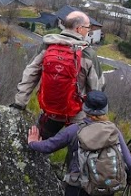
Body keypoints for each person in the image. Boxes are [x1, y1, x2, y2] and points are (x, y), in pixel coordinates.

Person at [27, 91, 131, 196]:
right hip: (105, 187)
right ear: (105, 110)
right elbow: (129, 162)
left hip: (78, 188)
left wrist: (32, 142)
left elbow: (48, 146)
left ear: (85, 108)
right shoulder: (114, 131)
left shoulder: (74, 130)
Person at [12, 10, 105, 139]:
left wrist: (20, 102)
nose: (88, 31)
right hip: (76, 113)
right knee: (77, 150)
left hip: (50, 110)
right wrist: (96, 116)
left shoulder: (48, 45)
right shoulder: (87, 53)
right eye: (87, 27)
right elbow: (98, 87)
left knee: (40, 143)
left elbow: (31, 72)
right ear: (79, 29)